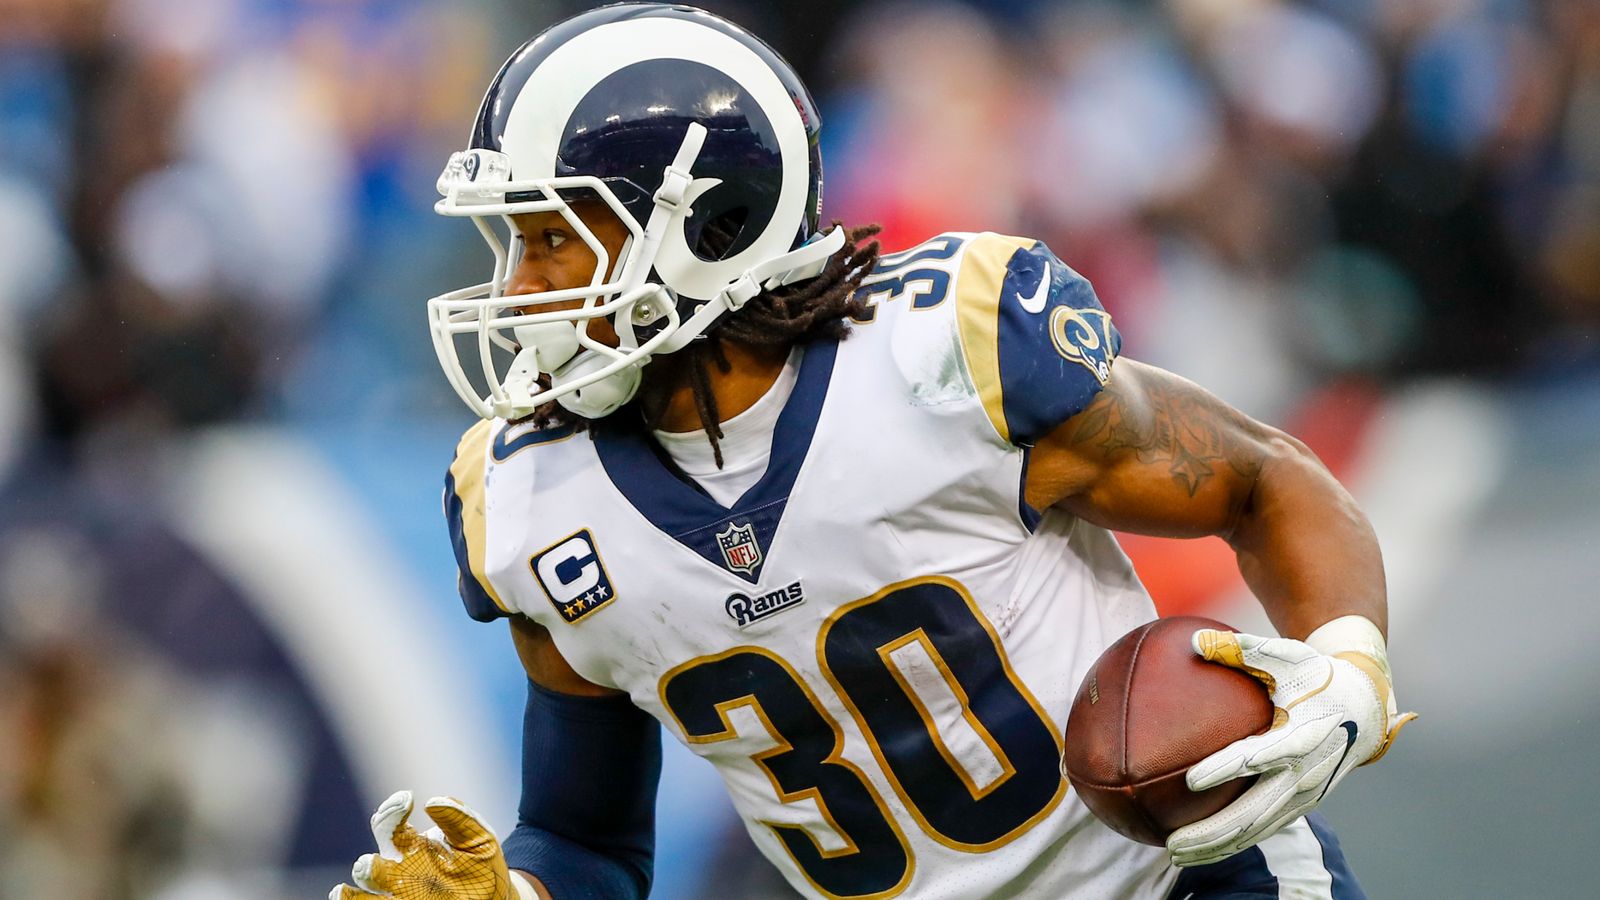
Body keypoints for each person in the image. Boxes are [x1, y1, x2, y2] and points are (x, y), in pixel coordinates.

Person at [332, 5, 1413, 899]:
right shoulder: (528, 503)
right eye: (513, 244)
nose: (522, 289)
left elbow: (1264, 481)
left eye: (555, 237)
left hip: (1188, 885)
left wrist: (1348, 666)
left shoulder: (946, 360)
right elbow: (586, 839)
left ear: (711, 225)